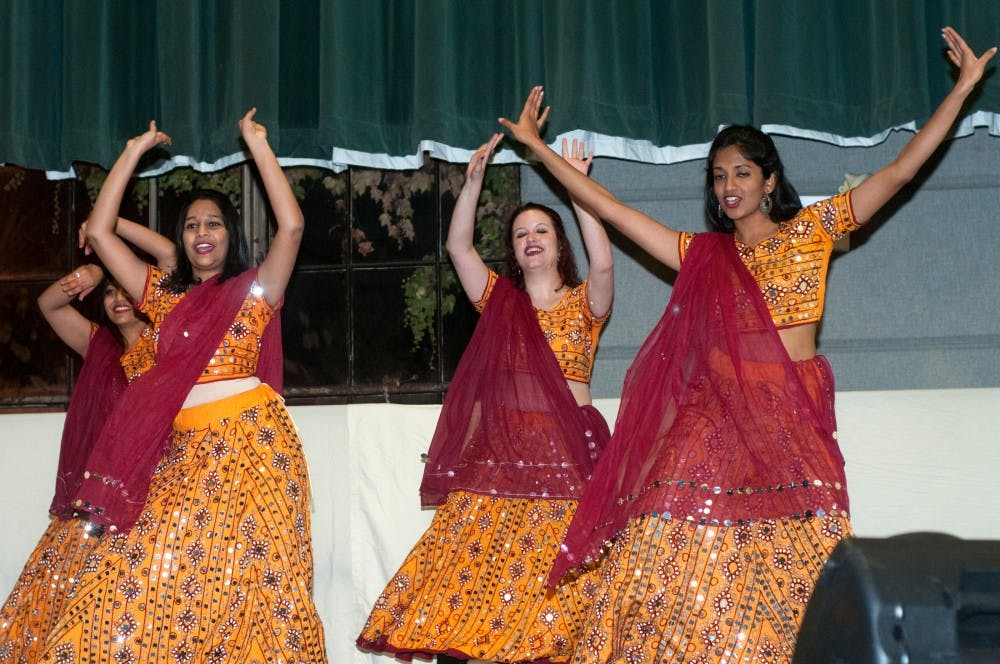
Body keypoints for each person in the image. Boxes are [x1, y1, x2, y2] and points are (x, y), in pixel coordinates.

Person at [499, 27, 995, 663]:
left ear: (768, 180)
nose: (728, 185)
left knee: (802, 566)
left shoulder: (815, 231)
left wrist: (960, 92)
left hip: (788, 416)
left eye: (741, 172)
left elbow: (898, 171)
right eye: (717, 176)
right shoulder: (704, 255)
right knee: (659, 541)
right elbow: (618, 214)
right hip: (714, 417)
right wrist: (541, 150)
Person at [34, 110, 328, 663]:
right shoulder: (163, 301)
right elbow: (98, 231)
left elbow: (291, 227)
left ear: (230, 234)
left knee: (256, 587)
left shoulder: (255, 290)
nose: (202, 232)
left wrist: (258, 147)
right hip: (184, 454)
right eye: (191, 225)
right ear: (183, 240)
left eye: (213, 222)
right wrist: (131, 151)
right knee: (134, 578)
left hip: (253, 450)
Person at [356, 135, 614, 663]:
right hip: (500, 458)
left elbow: (605, 264)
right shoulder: (502, 304)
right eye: (520, 234)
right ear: (514, 250)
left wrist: (576, 185)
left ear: (560, 242)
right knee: (468, 582)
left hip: (567, 457)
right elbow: (458, 248)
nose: (531, 238)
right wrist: (472, 183)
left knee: (554, 595)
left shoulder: (587, 305)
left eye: (541, 229)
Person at [0, 220, 174, 662]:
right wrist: (91, 272)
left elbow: (172, 260)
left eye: (124, 289)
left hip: (155, 497)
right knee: (60, 606)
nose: (117, 299)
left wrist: (108, 240)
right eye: (109, 292)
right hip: (95, 499)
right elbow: (49, 304)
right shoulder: (99, 346)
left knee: (133, 612)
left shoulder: (169, 344)